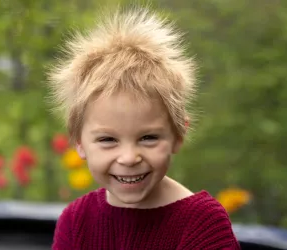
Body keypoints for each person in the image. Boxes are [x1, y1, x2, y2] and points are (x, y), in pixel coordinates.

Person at [48, 6, 241, 250]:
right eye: (108, 140)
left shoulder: (201, 225)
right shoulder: (76, 221)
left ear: (178, 135)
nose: (129, 158)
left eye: (148, 137)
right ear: (79, 143)